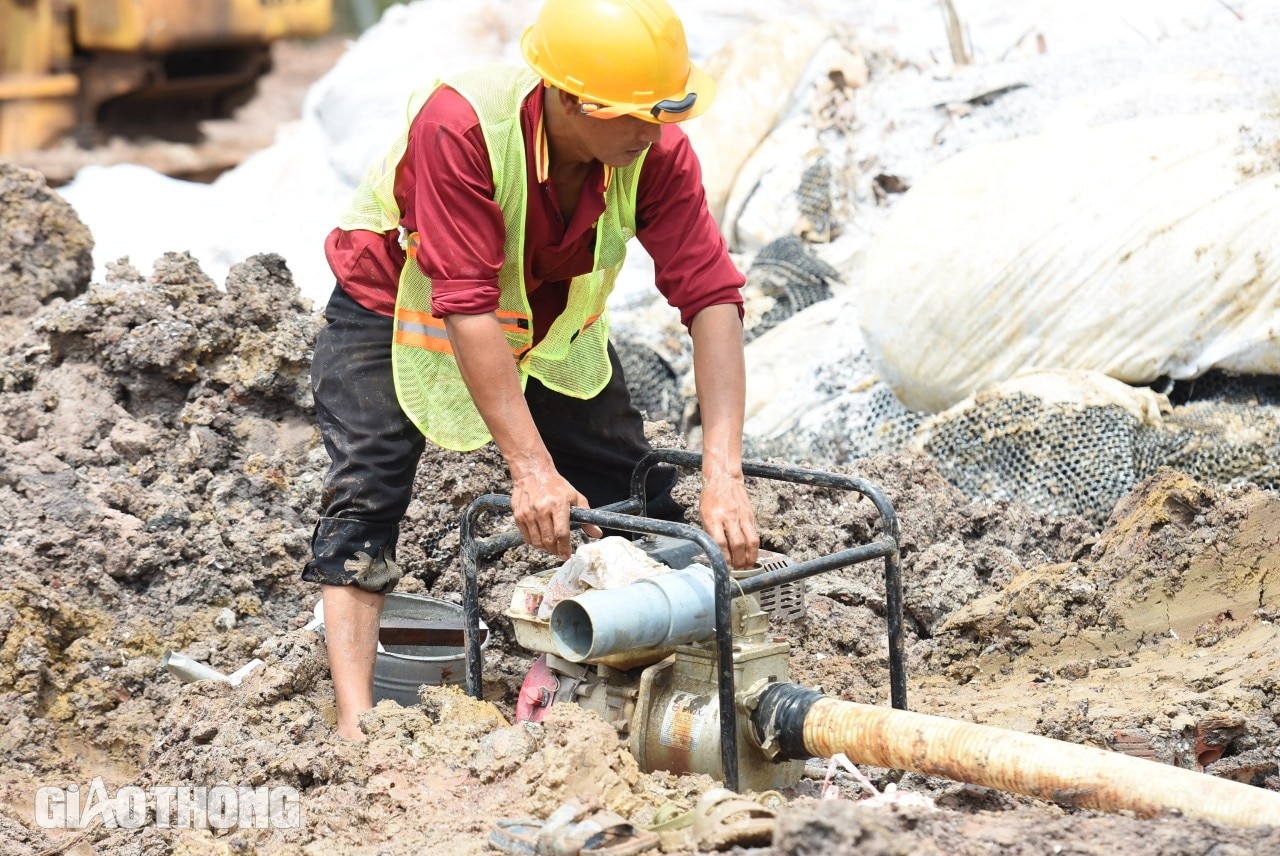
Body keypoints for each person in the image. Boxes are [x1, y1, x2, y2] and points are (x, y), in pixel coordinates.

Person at [304, 0, 760, 741]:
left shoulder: (652, 151)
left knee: (630, 491)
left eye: (662, 113)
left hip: (546, 320)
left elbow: (711, 294)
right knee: (370, 486)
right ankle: (359, 727)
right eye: (634, 115)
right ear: (570, 99)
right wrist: (528, 469)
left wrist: (724, 471)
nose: (653, 132)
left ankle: (655, 682)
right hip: (397, 305)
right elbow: (464, 304)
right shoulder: (460, 126)